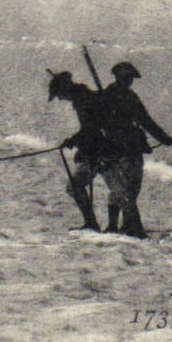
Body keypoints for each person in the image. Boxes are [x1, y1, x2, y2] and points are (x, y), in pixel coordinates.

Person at [97, 61, 172, 238]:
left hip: (132, 148)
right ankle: (124, 226)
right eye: (126, 78)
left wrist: (164, 138)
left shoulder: (129, 97)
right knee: (122, 188)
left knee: (128, 188)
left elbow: (145, 120)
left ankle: (121, 224)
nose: (128, 82)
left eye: (130, 79)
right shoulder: (107, 97)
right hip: (115, 149)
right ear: (118, 77)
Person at [47, 70, 117, 231]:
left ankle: (93, 224)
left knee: (75, 186)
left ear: (65, 89)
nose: (61, 99)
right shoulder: (84, 96)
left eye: (60, 95)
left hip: (97, 150)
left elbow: (91, 127)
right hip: (101, 147)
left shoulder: (83, 99)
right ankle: (112, 225)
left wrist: (74, 140)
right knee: (116, 188)